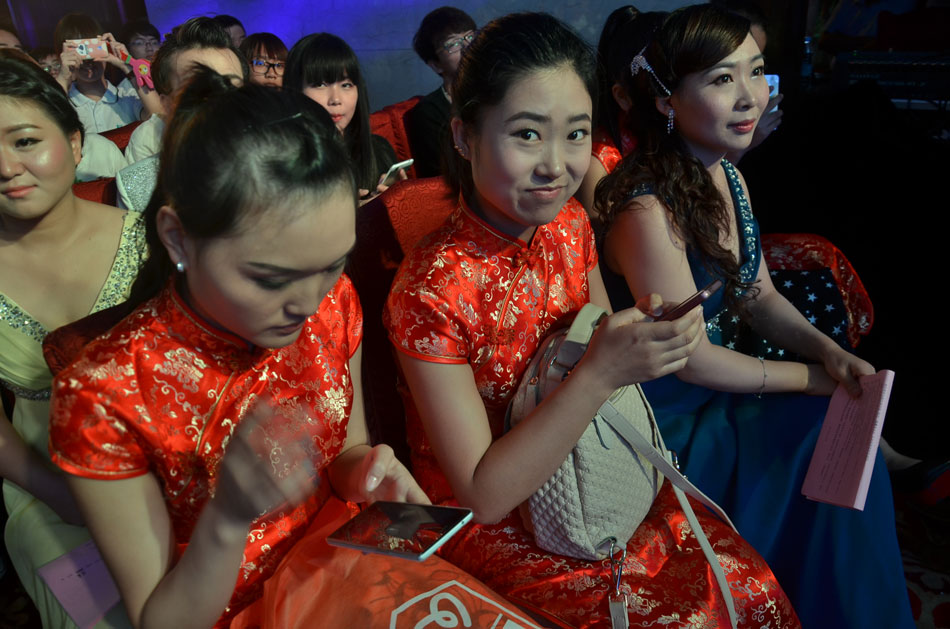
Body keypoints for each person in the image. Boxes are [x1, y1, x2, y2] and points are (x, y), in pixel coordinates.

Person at [384, 13, 798, 628]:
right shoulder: (429, 290)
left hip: (597, 467)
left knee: (749, 586)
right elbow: (483, 495)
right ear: (465, 136)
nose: (557, 165)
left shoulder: (570, 225)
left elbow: (600, 336)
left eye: (576, 133)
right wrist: (602, 372)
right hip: (493, 524)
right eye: (528, 134)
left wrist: (646, 336)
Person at [48, 68, 426, 629]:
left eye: (331, 264)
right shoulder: (104, 394)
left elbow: (346, 453)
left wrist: (368, 472)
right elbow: (162, 620)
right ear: (177, 237)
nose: (307, 303)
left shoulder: (336, 300)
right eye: (271, 278)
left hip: (337, 569)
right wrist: (227, 518)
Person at [594, 5, 913, 628]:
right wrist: (807, 378)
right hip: (671, 418)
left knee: (840, 434)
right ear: (665, 100)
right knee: (819, 429)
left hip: (722, 390)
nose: (751, 97)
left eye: (757, 71)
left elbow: (757, 295)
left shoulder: (727, 177)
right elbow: (690, 360)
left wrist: (828, 352)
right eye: (722, 79)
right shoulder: (646, 210)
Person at [0, 54, 146, 628]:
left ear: (76, 143)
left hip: (170, 468)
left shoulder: (152, 243)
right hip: (47, 485)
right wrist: (58, 493)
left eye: (25, 141)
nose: (6, 167)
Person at [118, 17, 246, 208]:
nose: (219, 102)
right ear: (167, 105)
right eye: (199, 92)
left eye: (231, 88)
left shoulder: (280, 161)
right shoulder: (138, 186)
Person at [285, 33, 401, 201]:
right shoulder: (281, 161)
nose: (336, 99)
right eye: (320, 84)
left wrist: (398, 200)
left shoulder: (379, 150)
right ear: (295, 90)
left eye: (346, 85)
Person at [576, 7, 666, 215]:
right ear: (623, 96)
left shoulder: (693, 137)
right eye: (662, 80)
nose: (678, 88)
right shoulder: (600, 164)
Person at [52, 13, 155, 133]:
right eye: (79, 50)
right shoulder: (64, 104)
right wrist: (63, 77)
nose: (88, 60)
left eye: (93, 48)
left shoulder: (126, 97)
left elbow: (158, 117)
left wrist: (126, 65)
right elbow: (46, 123)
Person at [406, 6, 476, 177]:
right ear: (436, 65)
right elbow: (446, 175)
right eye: (453, 44)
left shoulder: (498, 93)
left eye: (470, 37)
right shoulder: (428, 113)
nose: (466, 47)